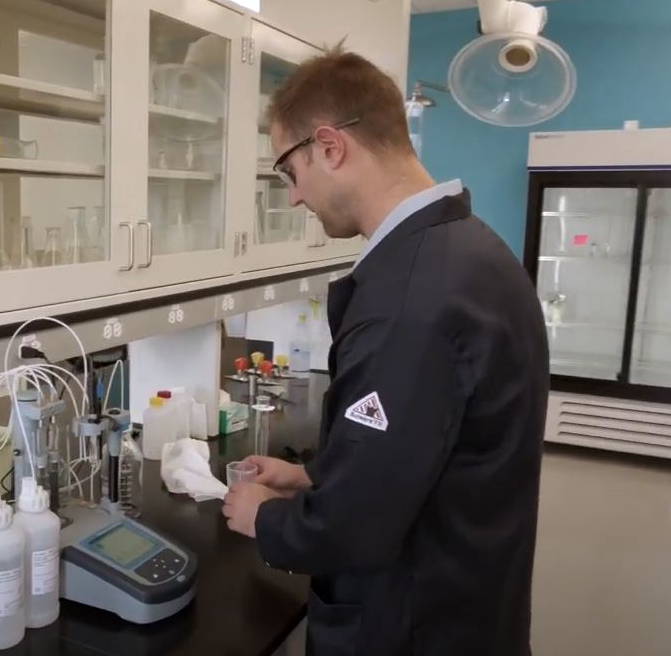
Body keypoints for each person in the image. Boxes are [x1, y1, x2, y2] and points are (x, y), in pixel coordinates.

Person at [221, 47, 550, 656]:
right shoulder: (473, 250)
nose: (293, 198)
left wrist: (262, 517)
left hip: (416, 624)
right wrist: (314, 475)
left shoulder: (410, 301)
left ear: (329, 147)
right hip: (473, 596)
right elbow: (429, 445)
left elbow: (357, 527)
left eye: (288, 172)